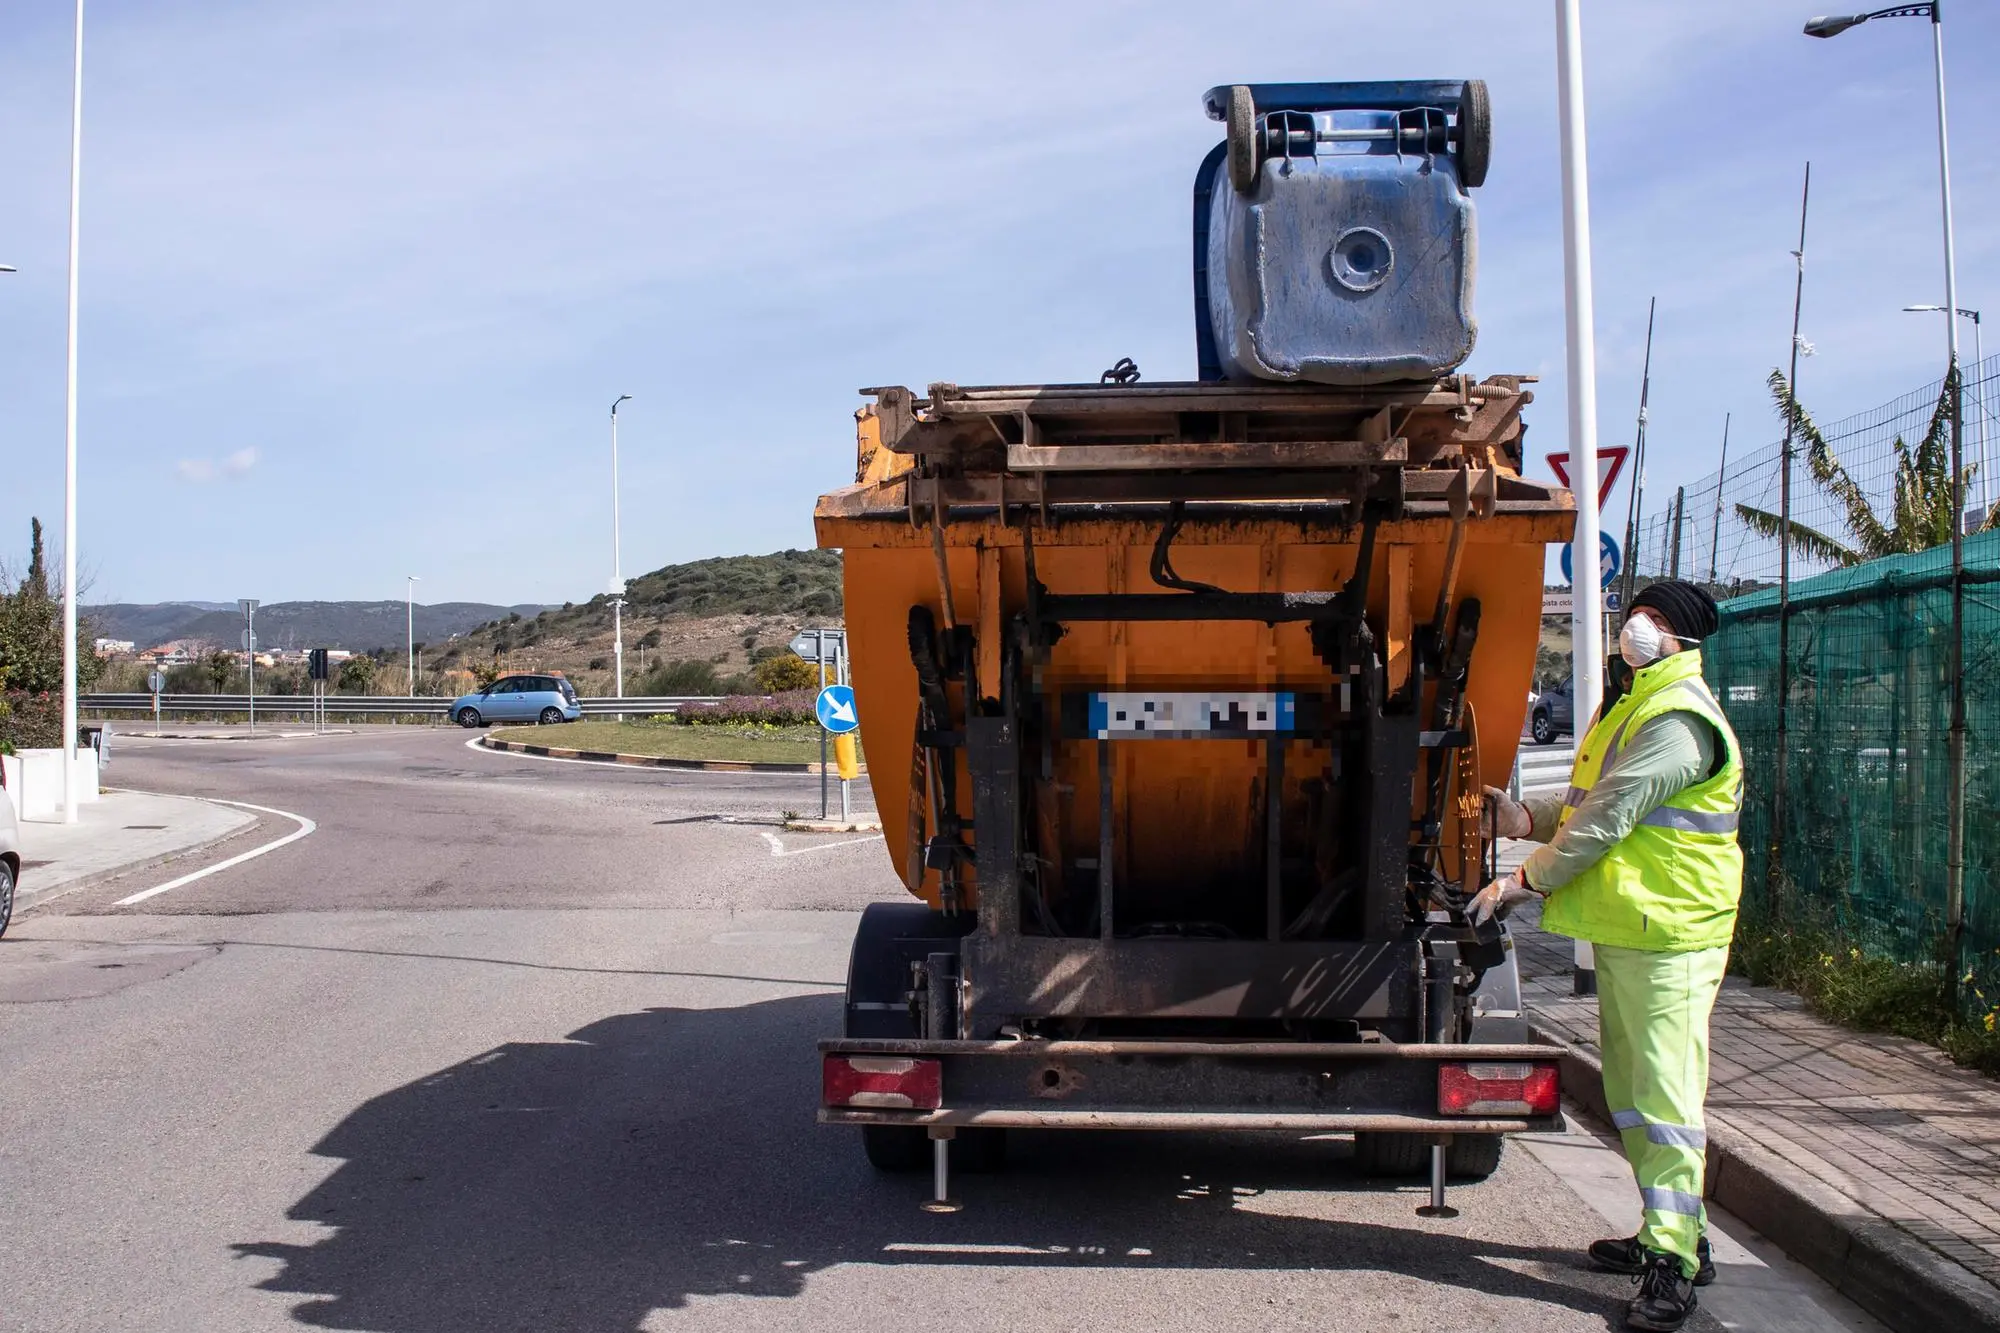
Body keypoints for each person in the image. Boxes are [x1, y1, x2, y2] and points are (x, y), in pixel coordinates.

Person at [1472, 579, 1743, 1333]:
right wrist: (1526, 814)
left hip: (1675, 932)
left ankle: (1674, 1266)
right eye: (1637, 615)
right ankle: (1673, 1231)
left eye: (1654, 618)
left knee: (1664, 1101)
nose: (1637, 628)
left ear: (1681, 635)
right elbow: (1588, 798)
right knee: (1631, 1091)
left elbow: (1609, 821)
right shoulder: (1628, 706)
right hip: (1636, 929)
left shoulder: (1681, 720)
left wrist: (1521, 879)